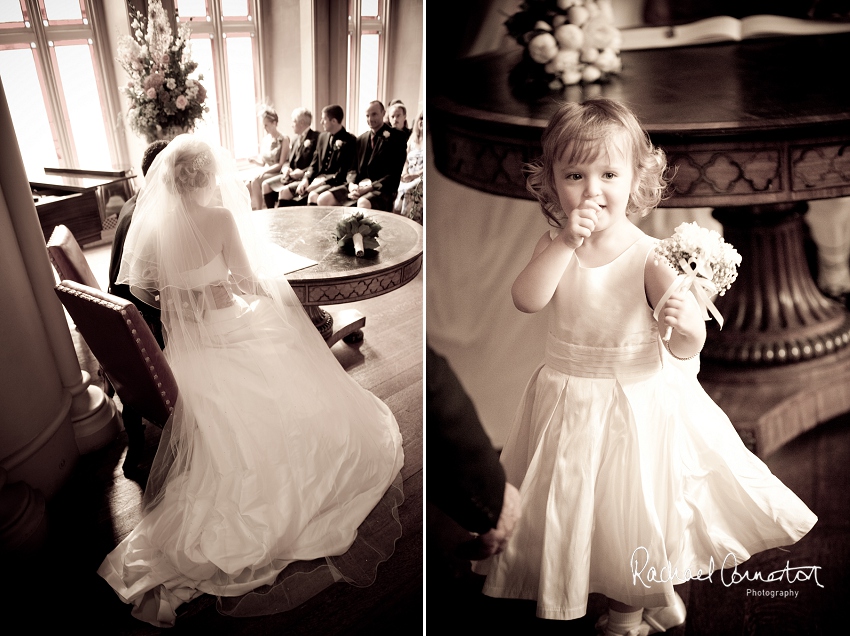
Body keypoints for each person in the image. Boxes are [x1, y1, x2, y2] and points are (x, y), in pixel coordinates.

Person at [473, 99, 818, 636]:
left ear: (637, 179)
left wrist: (688, 325)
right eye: (575, 175)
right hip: (567, 400)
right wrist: (566, 240)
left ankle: (629, 614)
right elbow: (527, 299)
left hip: (631, 408)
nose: (592, 190)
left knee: (629, 510)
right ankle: (625, 594)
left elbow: (682, 350)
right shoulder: (555, 245)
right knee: (574, 505)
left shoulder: (652, 256)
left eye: (609, 173)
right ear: (551, 186)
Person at [98, 134, 405, 627]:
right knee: (289, 342)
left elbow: (148, 292)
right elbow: (246, 278)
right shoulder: (219, 219)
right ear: (206, 178)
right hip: (226, 328)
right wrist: (233, 288)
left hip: (188, 351)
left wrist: (196, 297)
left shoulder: (153, 229)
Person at [107, 139, 169, 472]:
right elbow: (152, 290)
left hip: (118, 315)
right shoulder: (150, 217)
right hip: (140, 321)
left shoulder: (135, 201)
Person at [318, 100, 406, 211]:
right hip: (358, 186)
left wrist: (369, 188)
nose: (370, 119)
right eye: (367, 115)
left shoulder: (397, 137)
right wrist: (352, 185)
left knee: (363, 202)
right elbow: (352, 168)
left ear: (383, 113)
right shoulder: (361, 139)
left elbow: (394, 173)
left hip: (381, 189)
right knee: (323, 199)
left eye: (374, 114)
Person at [278, 104, 355, 206]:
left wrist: (321, 182)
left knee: (313, 195)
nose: (321, 122)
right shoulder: (322, 137)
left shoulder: (350, 140)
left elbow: (344, 171)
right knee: (284, 192)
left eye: (324, 119)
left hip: (335, 183)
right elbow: (314, 163)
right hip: (316, 179)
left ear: (334, 121)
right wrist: (306, 179)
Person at [261, 107, 319, 208]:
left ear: (301, 123)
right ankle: (271, 214)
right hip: (289, 176)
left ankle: (280, 219)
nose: (292, 125)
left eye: (294, 121)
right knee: (265, 185)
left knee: (284, 191)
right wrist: (285, 168)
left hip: (304, 178)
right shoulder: (295, 139)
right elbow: (287, 160)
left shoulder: (316, 138)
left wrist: (303, 172)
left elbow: (317, 163)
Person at [247, 107, 288, 209]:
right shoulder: (266, 140)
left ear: (274, 123)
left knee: (255, 181)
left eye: (267, 125)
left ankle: (259, 209)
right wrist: (254, 161)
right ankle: (249, 210)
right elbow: (262, 162)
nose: (265, 128)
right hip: (268, 171)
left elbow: (281, 164)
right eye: (263, 126)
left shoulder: (284, 139)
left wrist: (264, 172)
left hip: (277, 172)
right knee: (248, 183)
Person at [393, 111, 424, 223]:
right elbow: (405, 159)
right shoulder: (412, 140)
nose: (422, 121)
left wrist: (414, 176)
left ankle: (409, 221)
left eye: (425, 119)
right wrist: (405, 172)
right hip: (408, 174)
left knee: (409, 189)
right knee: (395, 184)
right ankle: (396, 220)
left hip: (421, 177)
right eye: (421, 118)